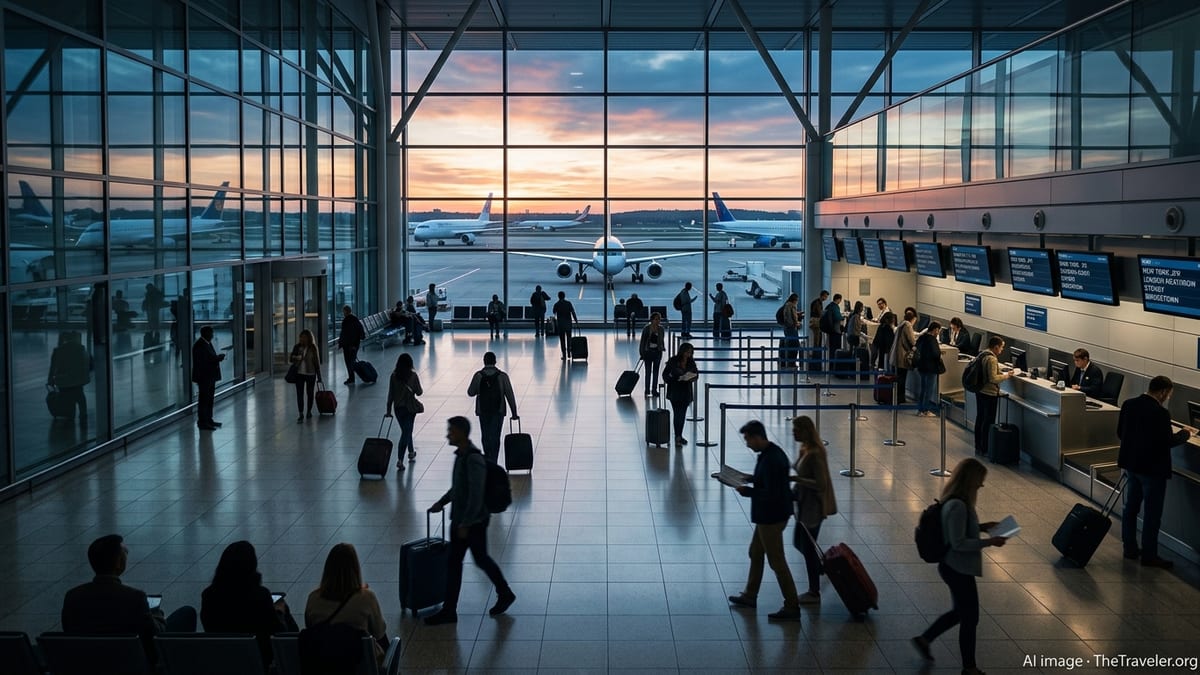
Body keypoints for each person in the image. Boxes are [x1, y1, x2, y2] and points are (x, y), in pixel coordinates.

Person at [912, 457, 1008, 675]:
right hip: (957, 569)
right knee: (970, 619)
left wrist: (983, 527)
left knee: (961, 612)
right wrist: (990, 542)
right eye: (979, 481)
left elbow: (960, 531)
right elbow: (958, 543)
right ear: (970, 480)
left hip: (955, 568)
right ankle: (969, 667)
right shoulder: (958, 506)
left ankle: (925, 639)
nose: (981, 486)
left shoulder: (955, 501)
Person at [425, 417, 516, 625]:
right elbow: (459, 488)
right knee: (464, 561)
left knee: (470, 560)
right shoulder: (462, 456)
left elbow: (476, 494)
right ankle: (500, 594)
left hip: (471, 523)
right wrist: (442, 502)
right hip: (465, 521)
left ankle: (502, 593)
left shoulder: (472, 459)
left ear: (460, 433)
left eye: (451, 431)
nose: (448, 434)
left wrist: (465, 523)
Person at [62, 534, 197, 664]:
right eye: (125, 553)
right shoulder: (134, 597)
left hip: (88, 662)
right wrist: (156, 614)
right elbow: (155, 635)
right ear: (119, 563)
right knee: (187, 613)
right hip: (130, 661)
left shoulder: (72, 596)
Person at [727, 420, 801, 622]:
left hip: (772, 517)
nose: (747, 444)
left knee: (777, 561)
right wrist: (750, 478)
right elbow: (769, 481)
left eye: (748, 439)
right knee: (755, 552)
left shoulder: (772, 459)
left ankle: (792, 605)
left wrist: (748, 491)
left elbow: (772, 493)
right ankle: (750, 595)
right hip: (768, 515)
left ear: (757, 437)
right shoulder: (770, 454)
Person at [1117, 376, 1192, 569]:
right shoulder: (1160, 413)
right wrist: (1185, 433)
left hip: (1132, 466)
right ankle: (1149, 555)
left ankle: (1130, 548)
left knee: (1130, 509)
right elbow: (1167, 441)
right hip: (1152, 471)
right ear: (1162, 392)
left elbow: (1120, 433)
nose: (1167, 398)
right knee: (1152, 514)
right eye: (1168, 394)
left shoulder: (1129, 404)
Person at [201, 541, 297, 667]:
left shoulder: (209, 595)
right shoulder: (260, 595)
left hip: (224, 656)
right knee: (282, 607)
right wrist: (280, 613)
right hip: (261, 657)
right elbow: (277, 631)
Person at [304, 543, 390, 667]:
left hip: (323, 665)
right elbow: (379, 633)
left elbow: (310, 627)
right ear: (355, 569)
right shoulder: (366, 598)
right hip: (359, 665)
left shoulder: (313, 598)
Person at [789, 416, 837, 605]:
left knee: (808, 547)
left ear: (806, 431)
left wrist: (798, 481)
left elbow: (821, 484)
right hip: (804, 505)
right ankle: (820, 567)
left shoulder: (815, 453)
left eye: (797, 429)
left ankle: (814, 591)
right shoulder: (805, 449)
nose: (793, 432)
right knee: (798, 542)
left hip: (813, 508)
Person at [467, 352, 519, 464]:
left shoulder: (478, 376)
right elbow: (509, 394)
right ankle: (494, 460)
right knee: (495, 436)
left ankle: (487, 457)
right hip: (498, 410)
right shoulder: (502, 376)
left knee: (485, 435)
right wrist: (514, 412)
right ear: (495, 361)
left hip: (483, 410)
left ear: (484, 361)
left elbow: (470, 392)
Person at [973, 337, 1014, 456]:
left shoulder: (983, 354)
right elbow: (993, 378)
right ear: (996, 347)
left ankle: (978, 444)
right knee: (988, 421)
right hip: (989, 393)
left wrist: (1002, 373)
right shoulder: (991, 359)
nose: (1001, 350)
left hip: (980, 391)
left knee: (980, 418)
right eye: (1001, 348)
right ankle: (985, 447)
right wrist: (1006, 376)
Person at [385, 352, 423, 468]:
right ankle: (400, 460)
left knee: (406, 430)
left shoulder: (394, 376)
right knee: (406, 432)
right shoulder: (413, 376)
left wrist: (388, 411)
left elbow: (390, 395)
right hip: (410, 408)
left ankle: (411, 452)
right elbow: (419, 392)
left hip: (398, 409)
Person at [48, 331, 91, 425]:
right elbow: (87, 363)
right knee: (80, 397)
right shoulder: (80, 348)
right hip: (77, 380)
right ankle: (83, 415)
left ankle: (69, 414)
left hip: (63, 380)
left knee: (66, 397)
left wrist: (50, 380)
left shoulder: (58, 350)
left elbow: (53, 367)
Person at [663, 342, 699, 448]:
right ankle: (678, 436)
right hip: (675, 391)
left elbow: (696, 375)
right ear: (682, 351)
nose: (688, 355)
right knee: (677, 414)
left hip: (685, 392)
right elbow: (665, 375)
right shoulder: (673, 361)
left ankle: (678, 435)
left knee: (681, 415)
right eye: (687, 352)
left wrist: (689, 377)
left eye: (690, 353)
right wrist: (674, 378)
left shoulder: (691, 363)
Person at [191, 325, 224, 431]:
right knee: (204, 400)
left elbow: (210, 358)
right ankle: (203, 422)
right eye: (211, 333)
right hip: (204, 377)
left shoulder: (207, 344)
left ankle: (209, 419)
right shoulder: (199, 345)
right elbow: (205, 361)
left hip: (210, 377)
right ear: (206, 334)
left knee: (209, 399)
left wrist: (217, 358)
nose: (212, 335)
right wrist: (218, 358)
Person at [290, 328, 321, 422]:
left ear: (309, 338)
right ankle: (301, 413)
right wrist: (296, 357)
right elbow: (291, 359)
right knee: (300, 394)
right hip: (299, 374)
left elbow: (316, 362)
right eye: (301, 337)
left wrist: (319, 376)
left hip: (310, 373)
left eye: (304, 337)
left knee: (310, 393)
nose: (302, 339)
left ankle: (309, 411)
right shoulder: (297, 347)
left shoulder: (313, 348)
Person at [914, 321, 944, 417]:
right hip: (930, 368)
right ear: (935, 329)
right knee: (929, 389)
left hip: (921, 366)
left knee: (923, 388)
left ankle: (920, 409)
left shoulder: (922, 337)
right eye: (938, 330)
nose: (938, 333)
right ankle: (925, 410)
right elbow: (935, 353)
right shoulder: (932, 340)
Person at [890, 307, 918, 405]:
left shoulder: (901, 324)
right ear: (913, 318)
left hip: (895, 355)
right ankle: (900, 398)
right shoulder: (908, 325)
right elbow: (912, 340)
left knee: (898, 377)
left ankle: (896, 397)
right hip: (902, 356)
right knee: (902, 378)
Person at [639, 312, 666, 398]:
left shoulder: (661, 329)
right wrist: (642, 353)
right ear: (652, 320)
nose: (658, 321)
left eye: (659, 319)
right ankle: (647, 389)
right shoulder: (646, 329)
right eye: (656, 319)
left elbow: (661, 340)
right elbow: (642, 341)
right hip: (648, 352)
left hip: (657, 352)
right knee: (648, 372)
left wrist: (662, 348)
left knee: (656, 372)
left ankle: (654, 390)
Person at [339, 305, 366, 385]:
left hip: (348, 345)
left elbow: (346, 334)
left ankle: (351, 378)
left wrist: (342, 343)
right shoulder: (355, 319)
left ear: (346, 311)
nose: (343, 313)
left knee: (348, 362)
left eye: (343, 311)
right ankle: (352, 377)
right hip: (354, 344)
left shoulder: (346, 321)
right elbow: (359, 331)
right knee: (352, 361)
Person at [552, 290, 578, 361]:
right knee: (569, 338)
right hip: (568, 324)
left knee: (562, 339)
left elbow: (554, 312)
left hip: (561, 325)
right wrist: (576, 321)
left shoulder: (557, 304)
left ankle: (564, 354)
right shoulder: (568, 303)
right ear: (564, 296)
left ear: (558, 296)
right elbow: (573, 312)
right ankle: (569, 352)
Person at [779, 293, 801, 368]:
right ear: (794, 300)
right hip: (791, 328)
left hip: (788, 328)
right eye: (797, 300)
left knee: (790, 344)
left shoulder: (787, 305)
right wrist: (796, 324)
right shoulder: (791, 305)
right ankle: (791, 362)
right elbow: (789, 318)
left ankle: (788, 362)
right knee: (795, 344)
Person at [822, 293, 844, 362]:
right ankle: (835, 362)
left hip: (830, 329)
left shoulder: (829, 305)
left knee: (831, 346)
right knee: (836, 346)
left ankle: (831, 361)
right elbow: (838, 317)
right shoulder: (835, 307)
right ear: (838, 299)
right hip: (835, 330)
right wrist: (843, 317)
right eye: (840, 300)